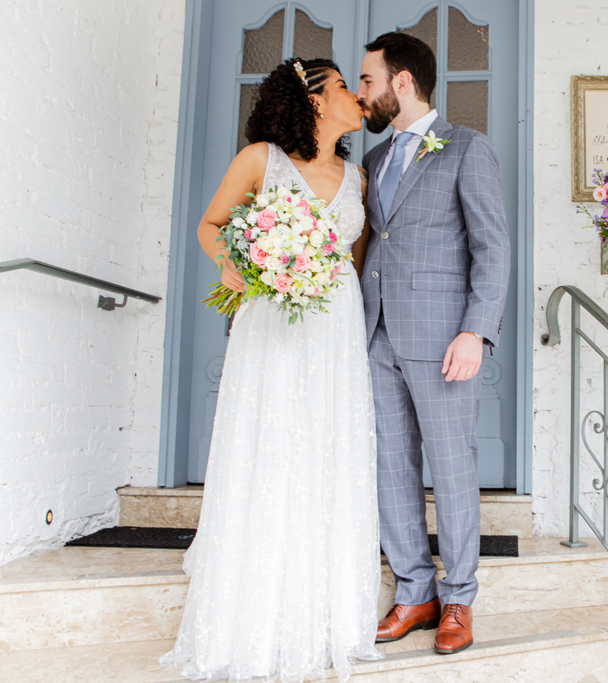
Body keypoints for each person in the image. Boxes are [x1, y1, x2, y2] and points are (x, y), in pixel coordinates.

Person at [160, 58, 381, 683]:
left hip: (333, 330)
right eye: (343, 86)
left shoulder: (358, 178)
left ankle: (328, 611)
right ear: (313, 99)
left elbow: (354, 267)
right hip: (271, 325)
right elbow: (211, 225)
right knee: (271, 448)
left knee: (326, 454)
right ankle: (252, 609)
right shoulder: (261, 160)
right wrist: (233, 264)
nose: (355, 97)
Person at [356, 33, 511, 655]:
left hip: (447, 339)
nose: (361, 92)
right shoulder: (370, 162)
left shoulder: (467, 149)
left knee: (451, 468)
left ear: (401, 83)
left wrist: (476, 329)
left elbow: (491, 248)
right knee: (390, 466)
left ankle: (459, 597)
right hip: (376, 335)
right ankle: (414, 591)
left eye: (367, 81)